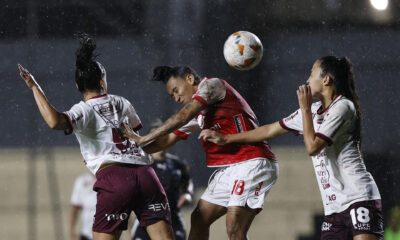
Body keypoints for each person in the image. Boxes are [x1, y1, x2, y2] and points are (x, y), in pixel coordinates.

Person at [199, 56, 383, 240]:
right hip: (333, 207)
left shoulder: (343, 107)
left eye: (312, 74)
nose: (307, 80)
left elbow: (313, 147)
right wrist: (226, 138)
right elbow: (271, 130)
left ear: (326, 79)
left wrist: (304, 110)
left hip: (359, 196)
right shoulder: (313, 110)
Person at [17, 33, 175, 240]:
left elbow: (55, 121)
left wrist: (34, 87)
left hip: (115, 178)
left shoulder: (83, 109)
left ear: (77, 86)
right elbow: (137, 137)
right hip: (146, 175)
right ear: (102, 82)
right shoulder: (122, 102)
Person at [121, 65, 278, 240]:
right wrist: (126, 151)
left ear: (189, 79)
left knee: (234, 227)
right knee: (199, 218)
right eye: (172, 95)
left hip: (252, 161)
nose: (176, 97)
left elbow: (181, 117)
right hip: (230, 168)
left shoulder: (213, 85)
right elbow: (165, 141)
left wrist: (142, 138)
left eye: (176, 90)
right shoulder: (198, 114)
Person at [131, 118, 194, 240]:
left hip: (173, 218)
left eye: (163, 134)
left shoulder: (177, 163)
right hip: (145, 219)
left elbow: (187, 181)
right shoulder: (140, 163)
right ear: (150, 137)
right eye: (156, 134)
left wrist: (187, 194)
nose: (160, 138)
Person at [69, 173, 97, 240]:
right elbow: (74, 208)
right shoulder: (82, 181)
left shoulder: (112, 180)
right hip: (87, 234)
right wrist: (71, 231)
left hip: (106, 233)